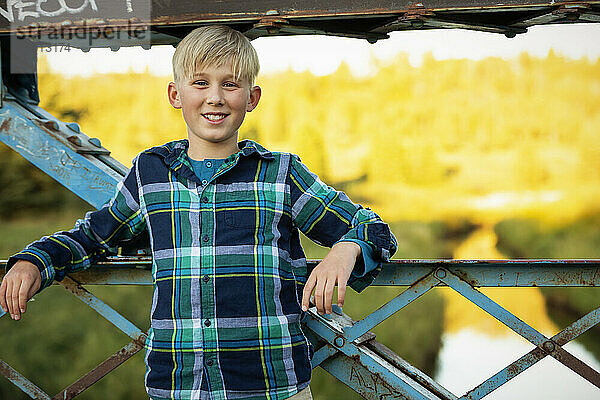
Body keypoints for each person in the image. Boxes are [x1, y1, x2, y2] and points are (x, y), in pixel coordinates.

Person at [0, 25, 397, 400]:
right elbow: (94, 236)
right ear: (175, 94)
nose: (215, 97)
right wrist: (34, 261)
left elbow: (373, 229)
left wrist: (345, 251)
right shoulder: (151, 172)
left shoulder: (280, 173)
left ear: (252, 98)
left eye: (230, 84)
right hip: (179, 383)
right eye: (201, 83)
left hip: (272, 383)